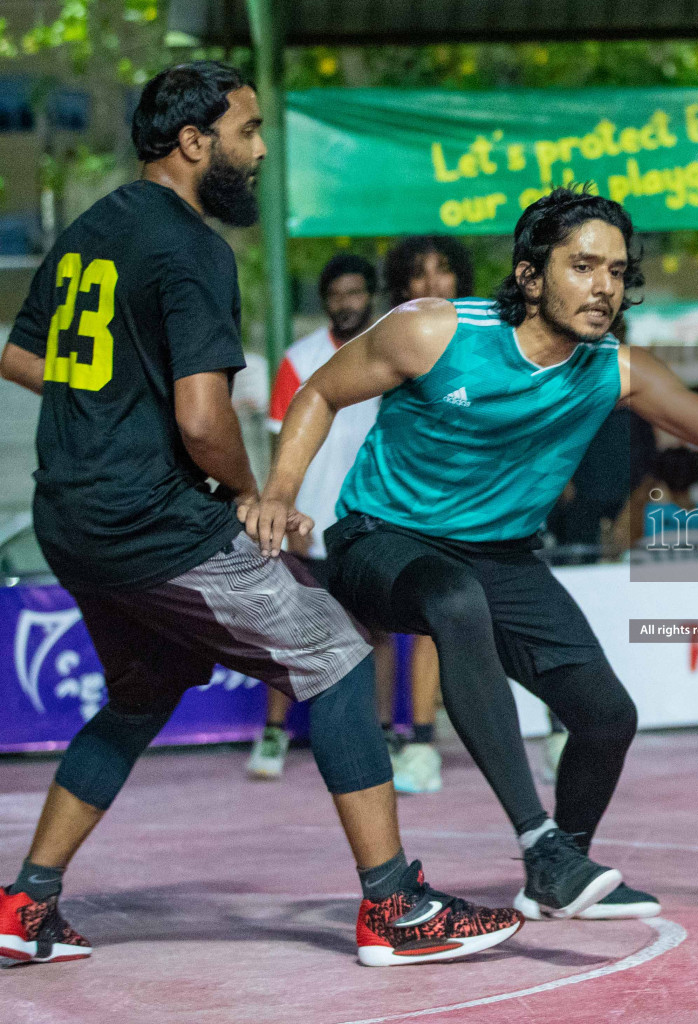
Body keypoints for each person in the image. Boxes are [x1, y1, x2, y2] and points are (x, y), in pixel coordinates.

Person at [246, 186, 698, 922]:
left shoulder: (615, 370)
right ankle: (538, 841)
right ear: (532, 276)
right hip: (380, 539)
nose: (604, 285)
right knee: (453, 600)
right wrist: (280, 489)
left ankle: (557, 864)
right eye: (584, 265)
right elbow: (316, 394)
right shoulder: (433, 332)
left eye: (618, 271)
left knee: (605, 719)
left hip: (500, 556)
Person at [0, 61, 517, 966]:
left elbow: (20, 355)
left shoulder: (90, 230)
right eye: (247, 131)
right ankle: (394, 907)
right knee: (339, 654)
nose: (260, 149)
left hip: (71, 516)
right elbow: (205, 421)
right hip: (151, 522)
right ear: (195, 142)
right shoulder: (192, 250)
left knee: (138, 700)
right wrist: (250, 493)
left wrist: (119, 400)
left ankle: (23, 906)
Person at [246, 252, 400, 780]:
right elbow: (277, 443)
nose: (345, 303)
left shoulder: (395, 353)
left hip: (371, 523)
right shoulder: (299, 359)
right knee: (289, 633)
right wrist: (281, 510)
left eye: (354, 293)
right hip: (306, 524)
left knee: (376, 631)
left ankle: (383, 732)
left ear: (370, 296)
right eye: (335, 295)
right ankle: (272, 735)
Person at [368, 234, 477, 793]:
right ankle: (421, 745)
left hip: (485, 500)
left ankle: (559, 733)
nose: (433, 282)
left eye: (443, 271)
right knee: (429, 621)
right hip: (419, 504)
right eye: (419, 274)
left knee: (510, 621)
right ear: (403, 286)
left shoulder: (486, 337)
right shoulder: (397, 343)